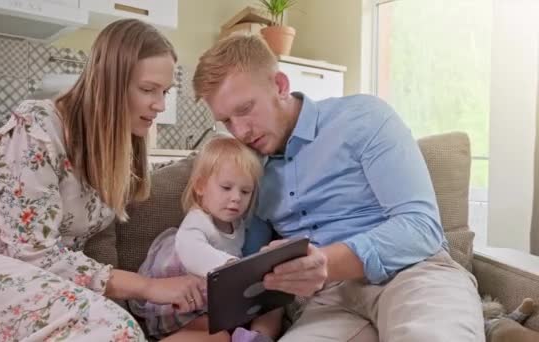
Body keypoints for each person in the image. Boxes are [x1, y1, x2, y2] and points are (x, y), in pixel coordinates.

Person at [192, 34, 485, 341]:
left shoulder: (364, 117)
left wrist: (326, 263)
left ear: (280, 85)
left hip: (413, 273)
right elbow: (249, 263)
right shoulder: (245, 169)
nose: (239, 131)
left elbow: (421, 228)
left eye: (245, 109)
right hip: (326, 303)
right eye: (226, 121)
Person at [0, 19, 205, 341]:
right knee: (116, 330)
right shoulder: (38, 125)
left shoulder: (112, 152)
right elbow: (32, 252)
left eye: (164, 91)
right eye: (148, 89)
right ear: (110, 83)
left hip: (34, 285)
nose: (159, 105)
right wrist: (148, 286)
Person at [131, 135, 282, 342]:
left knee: (274, 304)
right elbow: (192, 251)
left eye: (245, 191)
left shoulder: (237, 224)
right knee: (218, 337)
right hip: (178, 305)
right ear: (200, 187)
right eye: (226, 188)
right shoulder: (198, 220)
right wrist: (231, 267)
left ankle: (257, 338)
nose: (236, 198)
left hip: (212, 301)